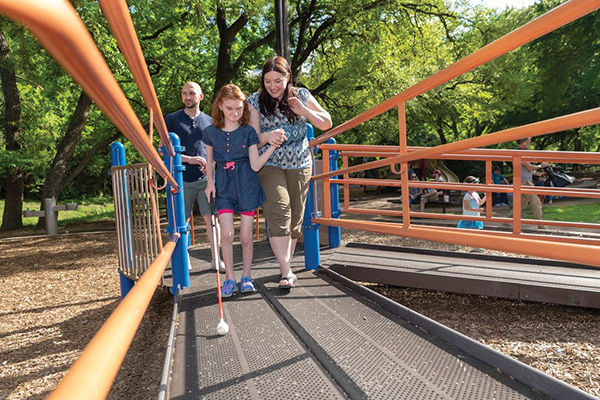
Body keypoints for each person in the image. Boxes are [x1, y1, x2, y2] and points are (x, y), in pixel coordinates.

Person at [248, 56, 332, 289]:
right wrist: (267, 137)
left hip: (301, 164)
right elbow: (252, 137)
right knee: (280, 211)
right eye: (267, 81)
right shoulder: (255, 101)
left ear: (288, 78)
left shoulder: (302, 95)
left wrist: (304, 110)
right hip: (270, 164)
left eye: (278, 80)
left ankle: (286, 268)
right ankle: (286, 270)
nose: (272, 86)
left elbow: (327, 123)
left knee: (295, 219)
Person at [204, 84, 277, 297]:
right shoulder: (210, 132)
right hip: (224, 185)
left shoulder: (248, 132)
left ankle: (246, 276)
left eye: (239, 108)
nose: (235, 113)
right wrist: (210, 183)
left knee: (245, 236)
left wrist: (272, 146)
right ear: (220, 107)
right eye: (229, 108)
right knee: (226, 233)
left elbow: (255, 165)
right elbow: (209, 162)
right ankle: (229, 279)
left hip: (246, 184)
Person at [165, 82, 224, 271]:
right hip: (180, 179)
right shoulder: (173, 119)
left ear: (201, 97)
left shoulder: (209, 121)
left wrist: (210, 165)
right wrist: (189, 159)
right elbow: (163, 150)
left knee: (212, 218)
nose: (187, 97)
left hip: (206, 180)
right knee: (181, 221)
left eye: (191, 93)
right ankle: (184, 259)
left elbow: (216, 149)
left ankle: (216, 259)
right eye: (184, 93)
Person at [508, 137, 548, 228]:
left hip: (522, 180)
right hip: (524, 182)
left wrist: (537, 173)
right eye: (529, 142)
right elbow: (529, 167)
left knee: (522, 204)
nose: (529, 144)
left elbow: (526, 169)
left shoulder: (520, 153)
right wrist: (540, 165)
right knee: (536, 201)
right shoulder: (518, 153)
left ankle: (507, 219)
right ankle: (540, 223)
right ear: (525, 143)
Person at [457, 176, 486, 252]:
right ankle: (457, 242)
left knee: (477, 230)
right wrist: (477, 209)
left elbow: (480, 202)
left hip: (476, 215)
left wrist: (486, 196)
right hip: (469, 216)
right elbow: (466, 207)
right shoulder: (467, 196)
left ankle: (476, 246)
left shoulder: (476, 194)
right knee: (465, 231)